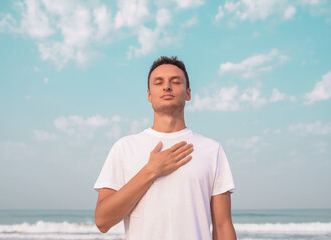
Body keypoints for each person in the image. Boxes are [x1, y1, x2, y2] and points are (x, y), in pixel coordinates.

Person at [94, 56, 236, 240]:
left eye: (176, 82)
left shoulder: (212, 150)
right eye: (158, 82)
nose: (167, 86)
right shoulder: (124, 148)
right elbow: (102, 221)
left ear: (188, 93)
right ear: (149, 95)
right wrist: (150, 171)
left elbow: (223, 226)